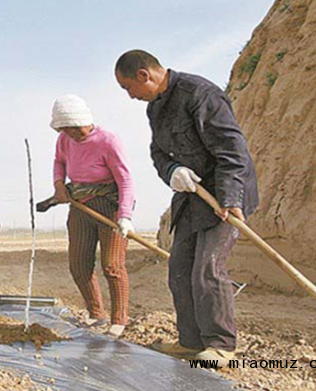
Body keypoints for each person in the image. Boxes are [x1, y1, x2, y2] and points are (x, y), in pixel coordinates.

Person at [115, 49, 259, 366]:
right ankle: (191, 342)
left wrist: (231, 198)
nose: (130, 96)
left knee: (208, 268)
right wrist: (172, 171)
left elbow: (232, 150)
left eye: (128, 88)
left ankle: (221, 345)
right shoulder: (155, 109)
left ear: (144, 75)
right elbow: (158, 153)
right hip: (191, 195)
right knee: (180, 269)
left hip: (223, 193)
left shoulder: (200, 93)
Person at [48, 94, 135, 338]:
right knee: (78, 264)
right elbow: (59, 162)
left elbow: (125, 180)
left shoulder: (108, 141)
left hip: (110, 204)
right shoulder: (64, 140)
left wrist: (125, 216)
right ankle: (96, 314)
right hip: (80, 205)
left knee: (112, 265)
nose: (71, 133)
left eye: (74, 128)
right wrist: (59, 184)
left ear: (84, 120)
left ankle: (119, 320)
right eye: (64, 129)